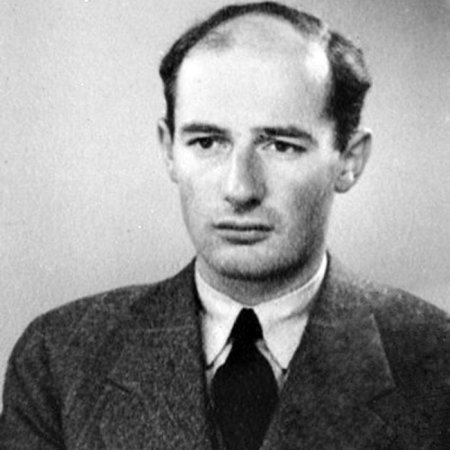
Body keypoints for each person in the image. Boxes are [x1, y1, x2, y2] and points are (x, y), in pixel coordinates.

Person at [0, 2, 449, 449]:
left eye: (281, 145)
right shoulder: (58, 358)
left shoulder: (436, 361)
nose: (239, 189)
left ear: (349, 160)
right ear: (168, 149)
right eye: (207, 142)